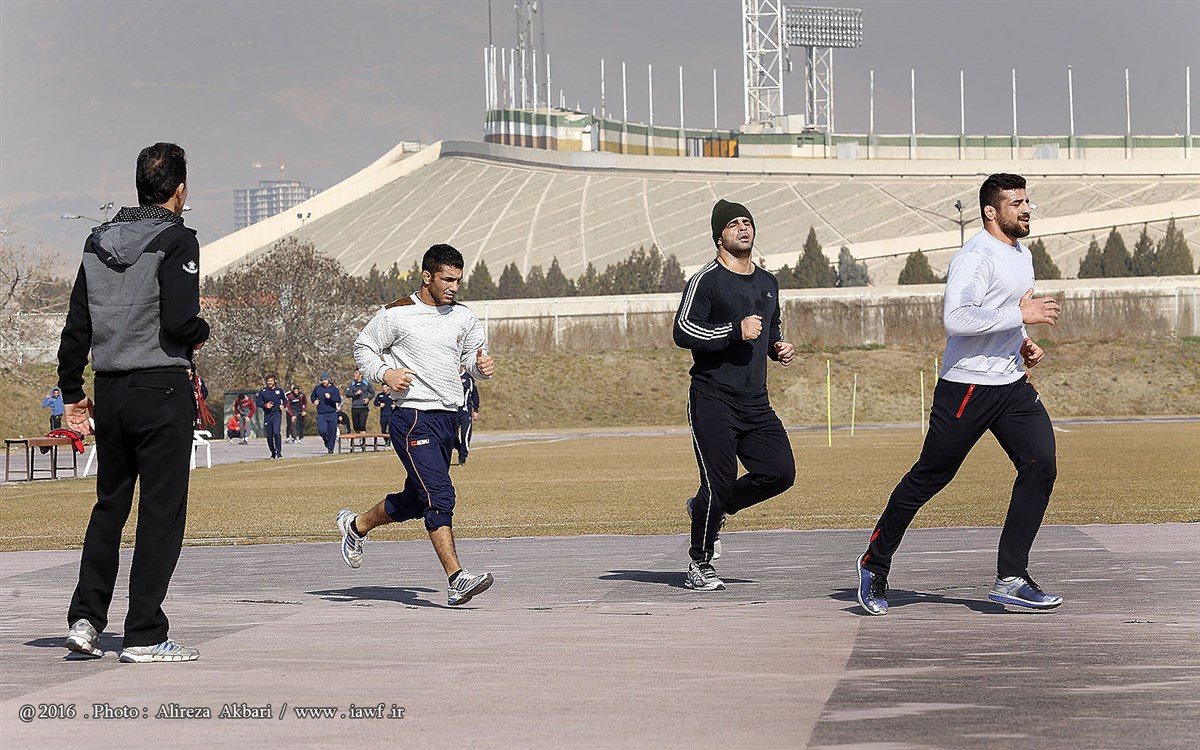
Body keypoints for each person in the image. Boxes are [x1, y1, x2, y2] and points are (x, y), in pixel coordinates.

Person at [856, 173, 1063, 616]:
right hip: (967, 386)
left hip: (1011, 385)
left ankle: (1011, 577)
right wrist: (1020, 315)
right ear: (991, 212)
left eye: (1027, 201)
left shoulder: (1022, 254)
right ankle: (874, 564)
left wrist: (1022, 342)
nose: (1027, 210)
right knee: (929, 478)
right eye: (1016, 204)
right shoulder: (975, 256)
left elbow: (1005, 314)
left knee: (1040, 464)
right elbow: (958, 319)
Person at [57, 142, 208, 663]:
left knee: (110, 505)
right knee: (161, 512)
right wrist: (202, 330)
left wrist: (72, 392)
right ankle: (144, 633)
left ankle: (85, 619)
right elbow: (180, 323)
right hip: (160, 388)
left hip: (111, 390)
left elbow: (77, 324)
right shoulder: (177, 239)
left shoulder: (96, 241)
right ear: (179, 191)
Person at [337, 243, 497, 607]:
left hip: (449, 419)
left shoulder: (464, 317)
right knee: (440, 496)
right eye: (447, 279)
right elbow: (363, 348)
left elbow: (471, 361)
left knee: (415, 500)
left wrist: (481, 368)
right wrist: (385, 373)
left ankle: (356, 526)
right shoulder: (396, 314)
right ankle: (457, 579)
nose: (454, 287)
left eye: (458, 280)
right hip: (412, 418)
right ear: (427, 276)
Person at [672, 199, 796, 592]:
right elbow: (683, 330)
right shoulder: (706, 280)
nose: (743, 228)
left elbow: (770, 329)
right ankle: (699, 563)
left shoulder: (768, 282)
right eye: (733, 224)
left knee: (780, 472)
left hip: (756, 402)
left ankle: (709, 507)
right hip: (713, 398)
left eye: (747, 222)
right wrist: (732, 331)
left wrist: (777, 347)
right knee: (719, 479)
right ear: (719, 237)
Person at [256, 375, 286, 459]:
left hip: (276, 414)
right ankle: (273, 452)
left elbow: (285, 400)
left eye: (271, 381)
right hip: (268, 415)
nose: (270, 383)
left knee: (276, 432)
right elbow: (258, 402)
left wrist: (283, 405)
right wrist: (265, 405)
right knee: (269, 435)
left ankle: (279, 452)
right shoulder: (263, 391)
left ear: (275, 381)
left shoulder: (279, 390)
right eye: (268, 381)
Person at [311, 373, 341, 454]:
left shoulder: (334, 389)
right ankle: (326, 440)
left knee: (332, 431)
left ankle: (330, 448)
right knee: (322, 430)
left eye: (325, 380)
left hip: (332, 412)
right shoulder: (318, 388)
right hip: (321, 413)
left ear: (328, 380)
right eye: (322, 380)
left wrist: (330, 397)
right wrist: (314, 401)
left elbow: (338, 399)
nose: (323, 381)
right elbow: (313, 396)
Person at [455, 367, 479, 465]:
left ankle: (463, 457)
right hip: (453, 412)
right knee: (451, 435)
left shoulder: (468, 378)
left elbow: (475, 394)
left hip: (465, 412)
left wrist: (476, 410)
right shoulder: (452, 376)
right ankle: (459, 448)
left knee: (465, 435)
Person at [348, 369, 375, 433]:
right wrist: (355, 394)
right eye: (354, 373)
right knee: (356, 426)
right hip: (355, 407)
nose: (354, 375)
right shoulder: (352, 384)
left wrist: (368, 399)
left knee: (362, 425)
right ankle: (359, 436)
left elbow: (372, 393)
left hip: (363, 407)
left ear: (360, 375)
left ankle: (362, 438)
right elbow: (347, 394)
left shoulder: (366, 384)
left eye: (356, 373)